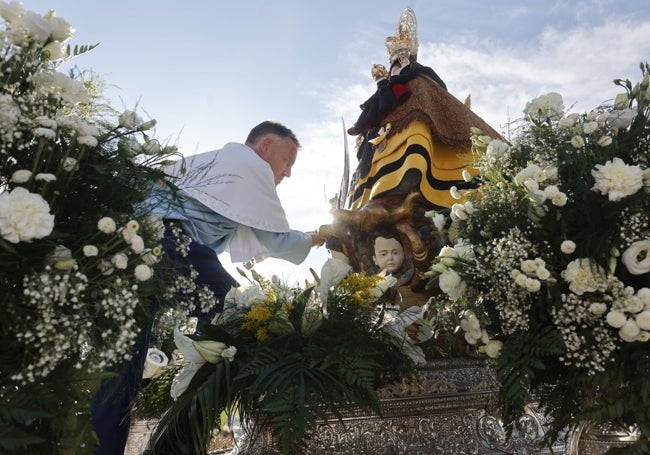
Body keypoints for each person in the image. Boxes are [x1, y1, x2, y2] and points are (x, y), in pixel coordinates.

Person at [91, 120, 324, 455]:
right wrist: (320, 236)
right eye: (288, 162)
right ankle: (177, 443)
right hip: (171, 243)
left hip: (132, 245)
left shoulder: (214, 162)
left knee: (123, 367)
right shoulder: (249, 165)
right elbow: (277, 241)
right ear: (266, 146)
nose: (287, 174)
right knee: (237, 318)